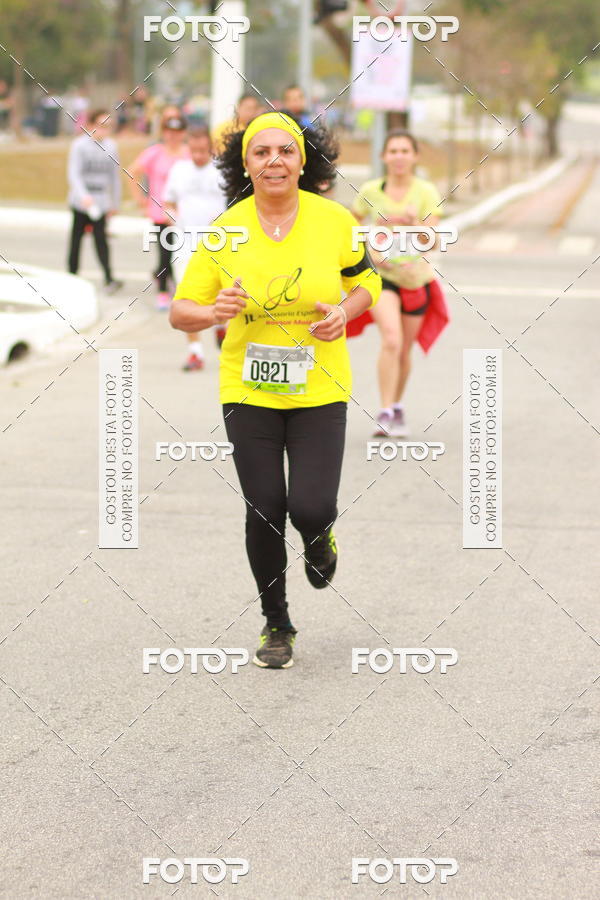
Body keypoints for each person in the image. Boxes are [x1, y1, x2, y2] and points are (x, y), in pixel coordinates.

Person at [169, 112, 381, 669]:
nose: (274, 162)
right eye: (261, 153)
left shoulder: (334, 220)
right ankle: (276, 623)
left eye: (285, 151)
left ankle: (319, 540)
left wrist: (344, 309)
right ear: (246, 164)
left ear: (303, 160)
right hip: (248, 387)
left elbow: (368, 280)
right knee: (264, 509)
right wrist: (211, 311)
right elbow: (180, 311)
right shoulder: (226, 230)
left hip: (320, 386)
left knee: (312, 507)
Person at [352, 130, 445, 437]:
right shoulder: (369, 191)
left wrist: (413, 223)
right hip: (383, 278)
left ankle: (397, 405)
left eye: (405, 150)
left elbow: (431, 241)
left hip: (415, 279)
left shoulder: (425, 192)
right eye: (393, 151)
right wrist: (369, 248)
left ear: (415, 156)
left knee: (404, 349)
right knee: (391, 339)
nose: (399, 156)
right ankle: (385, 410)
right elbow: (350, 231)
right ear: (384, 156)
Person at [163, 126, 227, 371]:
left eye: (203, 150)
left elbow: (234, 205)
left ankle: (222, 328)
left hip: (218, 243)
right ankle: (195, 353)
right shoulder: (179, 170)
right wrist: (173, 218)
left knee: (223, 294)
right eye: (194, 150)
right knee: (186, 297)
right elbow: (168, 201)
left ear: (210, 149)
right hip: (185, 243)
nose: (199, 155)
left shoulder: (222, 171)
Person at [129, 109, 189, 309]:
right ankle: (162, 291)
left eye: (178, 131)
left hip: (184, 213)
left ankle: (173, 283)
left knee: (180, 252)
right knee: (165, 253)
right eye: (169, 131)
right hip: (160, 212)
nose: (173, 136)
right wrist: (141, 200)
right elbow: (133, 172)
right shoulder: (155, 152)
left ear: (183, 133)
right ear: (163, 132)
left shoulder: (188, 154)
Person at [66, 108, 122, 293]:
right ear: (90, 125)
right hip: (82, 201)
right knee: (76, 240)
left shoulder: (111, 146)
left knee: (101, 240)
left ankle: (109, 277)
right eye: (100, 125)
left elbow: (114, 176)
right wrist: (83, 196)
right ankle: (71, 276)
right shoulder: (79, 146)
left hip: (101, 200)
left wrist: (115, 203)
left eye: (108, 126)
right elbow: (74, 174)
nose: (104, 129)